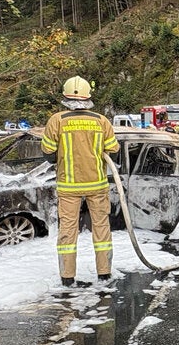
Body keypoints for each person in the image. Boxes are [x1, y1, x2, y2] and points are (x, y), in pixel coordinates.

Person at [41, 75, 120, 287]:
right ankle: (104, 274)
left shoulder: (57, 120)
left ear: (65, 96)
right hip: (97, 185)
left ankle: (67, 278)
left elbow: (48, 151)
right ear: (88, 96)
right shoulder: (101, 121)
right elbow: (113, 148)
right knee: (101, 229)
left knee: (67, 231)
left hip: (68, 186)